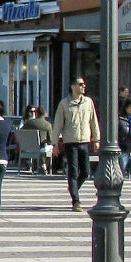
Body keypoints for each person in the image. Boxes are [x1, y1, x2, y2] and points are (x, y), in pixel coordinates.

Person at [52, 77, 100, 211]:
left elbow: (94, 121)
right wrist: (55, 144)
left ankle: (73, 188)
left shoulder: (88, 102)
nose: (84, 86)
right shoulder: (64, 103)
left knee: (86, 172)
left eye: (84, 84)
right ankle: (76, 201)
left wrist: (97, 139)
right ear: (73, 87)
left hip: (84, 141)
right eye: (80, 84)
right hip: (70, 142)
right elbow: (58, 124)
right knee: (72, 171)